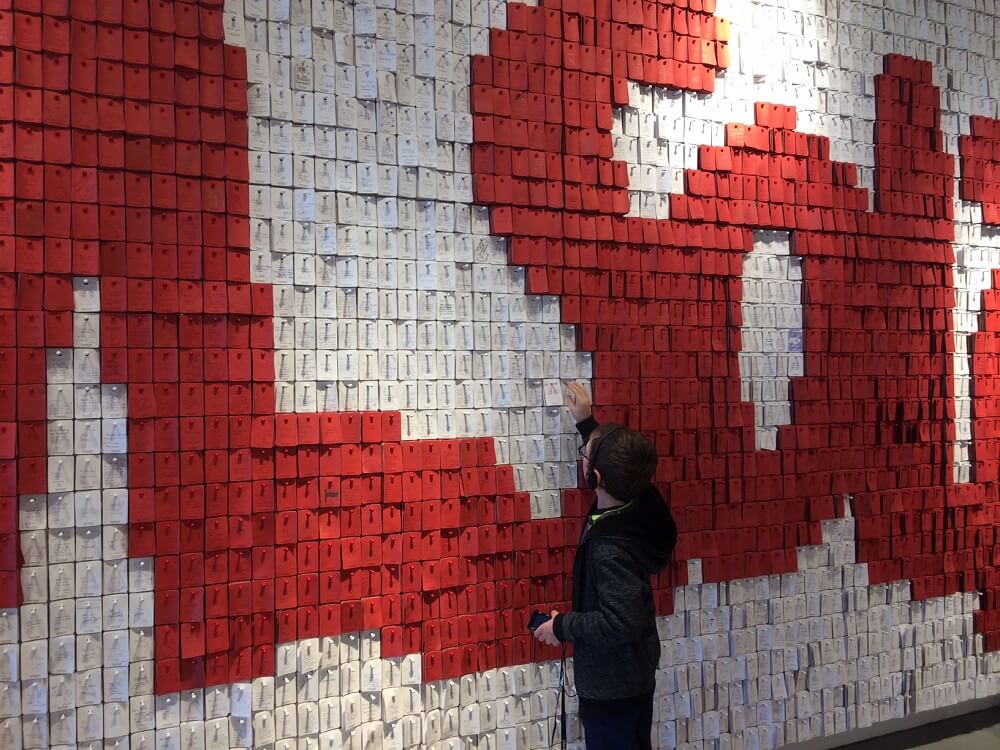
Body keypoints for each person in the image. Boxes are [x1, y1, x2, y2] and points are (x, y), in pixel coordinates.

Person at [532, 382, 678, 750]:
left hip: (612, 686)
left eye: (586, 455)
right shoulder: (639, 506)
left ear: (595, 477)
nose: (583, 458)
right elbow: (620, 469)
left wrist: (562, 626)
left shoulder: (609, 547)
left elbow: (619, 621)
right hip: (632, 675)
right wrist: (586, 423)